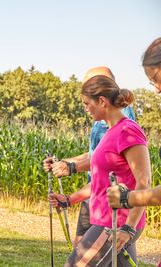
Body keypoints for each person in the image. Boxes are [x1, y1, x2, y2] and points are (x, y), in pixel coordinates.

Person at [49, 75, 151, 266]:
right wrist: (70, 199)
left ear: (102, 101)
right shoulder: (110, 132)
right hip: (110, 222)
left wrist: (128, 228)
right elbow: (99, 182)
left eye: (87, 103)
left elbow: (144, 181)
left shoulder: (127, 131)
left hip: (116, 223)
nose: (86, 108)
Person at [43, 66, 136, 247]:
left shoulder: (118, 123)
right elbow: (96, 155)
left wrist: (70, 167)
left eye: (87, 100)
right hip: (95, 194)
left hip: (108, 204)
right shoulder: (103, 121)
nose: (84, 105)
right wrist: (64, 163)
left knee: (80, 257)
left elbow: (111, 165)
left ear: (102, 96)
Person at [107, 37, 161, 209]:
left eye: (155, 78)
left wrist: (127, 199)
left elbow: (143, 180)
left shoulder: (127, 126)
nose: (157, 89)